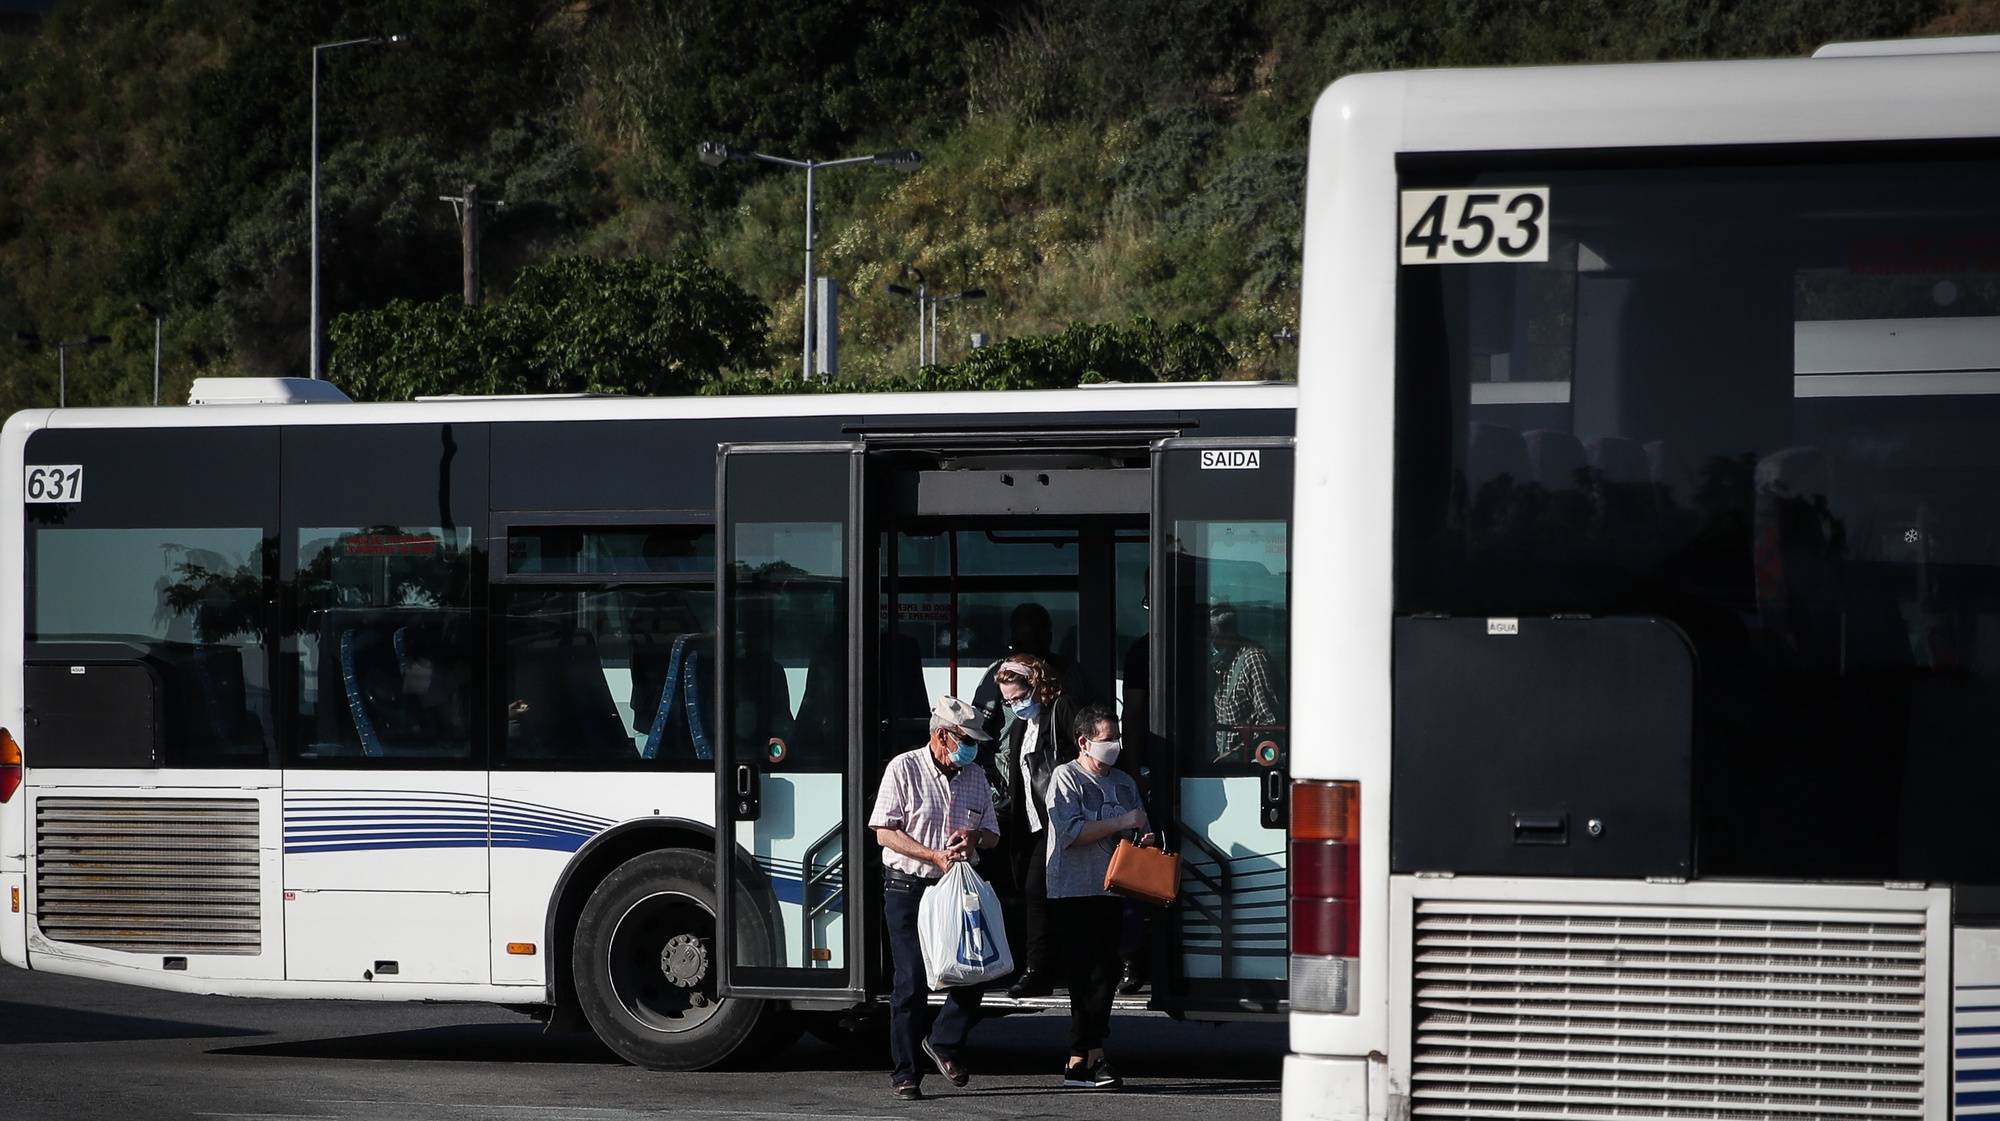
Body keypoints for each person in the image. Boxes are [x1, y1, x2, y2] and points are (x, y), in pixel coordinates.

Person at [867, 695, 1001, 1102]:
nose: (972, 748)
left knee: (976, 970)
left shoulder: (975, 775)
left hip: (957, 888)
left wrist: (974, 837)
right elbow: (884, 831)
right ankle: (906, 1073)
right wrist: (932, 854)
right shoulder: (903, 768)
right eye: (966, 739)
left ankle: (943, 1040)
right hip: (908, 886)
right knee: (909, 981)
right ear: (942, 736)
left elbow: (993, 836)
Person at [1044, 703, 1153, 1090]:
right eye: (1107, 739)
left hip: (1115, 888)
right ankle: (1091, 1055)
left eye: (1117, 738)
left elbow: (1142, 825)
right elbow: (1070, 832)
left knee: (1106, 973)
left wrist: (1143, 836)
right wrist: (1122, 822)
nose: (1115, 746)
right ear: (1084, 742)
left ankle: (1083, 1058)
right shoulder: (1066, 778)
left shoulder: (1124, 782)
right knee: (1084, 975)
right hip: (1073, 889)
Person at [996, 653, 1078, 999]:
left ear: (1036, 685)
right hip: (1030, 822)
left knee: (1036, 891)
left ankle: (1038, 970)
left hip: (1058, 819)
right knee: (1037, 893)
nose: (1015, 705)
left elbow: (1078, 756)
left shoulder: (1060, 711)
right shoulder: (1019, 726)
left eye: (1018, 697)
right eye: (1007, 701)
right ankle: (1045, 966)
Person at [1210, 603, 1282, 761]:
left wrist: (1236, 754)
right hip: (1221, 762)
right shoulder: (1221, 665)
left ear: (1229, 633)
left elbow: (1269, 723)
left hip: (1247, 765)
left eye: (1215, 637)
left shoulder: (1253, 660)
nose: (1212, 644)